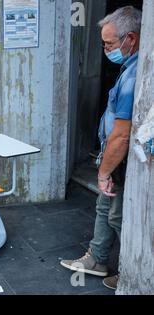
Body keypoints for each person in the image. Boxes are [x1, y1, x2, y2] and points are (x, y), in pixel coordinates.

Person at [60, 6, 141, 291]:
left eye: (109, 44)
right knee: (104, 207)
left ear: (131, 38)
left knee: (118, 216)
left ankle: (135, 272)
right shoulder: (128, 68)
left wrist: (105, 171)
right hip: (113, 157)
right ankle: (96, 258)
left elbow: (122, 134)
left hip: (120, 160)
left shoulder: (134, 76)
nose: (106, 50)